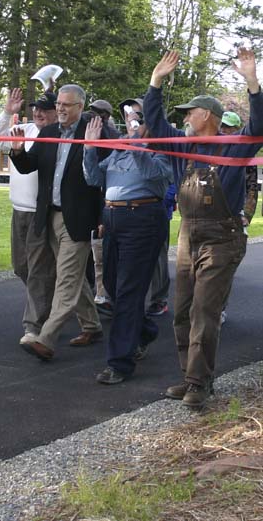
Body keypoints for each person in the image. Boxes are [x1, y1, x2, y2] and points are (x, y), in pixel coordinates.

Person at [144, 48, 263, 407]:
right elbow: (155, 123)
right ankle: (191, 377)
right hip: (187, 235)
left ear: (208, 115)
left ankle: (199, 382)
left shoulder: (234, 146)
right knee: (181, 311)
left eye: (190, 112)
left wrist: (252, 81)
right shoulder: (183, 145)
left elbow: (259, 125)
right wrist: (156, 82)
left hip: (221, 238)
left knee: (204, 312)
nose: (186, 118)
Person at [9, 84, 105, 361]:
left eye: (66, 104)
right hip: (48, 216)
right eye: (59, 104)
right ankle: (92, 325)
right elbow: (29, 165)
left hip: (77, 220)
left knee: (66, 279)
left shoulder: (93, 131)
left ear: (80, 107)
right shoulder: (48, 133)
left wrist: (102, 218)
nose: (60, 108)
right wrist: (17, 152)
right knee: (74, 278)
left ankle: (46, 338)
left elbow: (100, 179)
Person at [83, 99, 173, 384]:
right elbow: (94, 178)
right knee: (111, 285)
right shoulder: (120, 150)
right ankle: (144, 331)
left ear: (151, 124)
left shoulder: (163, 150)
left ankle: (119, 362)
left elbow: (153, 175)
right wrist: (89, 148)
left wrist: (135, 145)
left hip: (143, 220)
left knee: (129, 292)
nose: (130, 124)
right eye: (129, 118)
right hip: (113, 221)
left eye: (137, 119)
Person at [0, 88, 58, 345]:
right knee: (22, 267)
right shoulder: (25, 131)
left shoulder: (59, 135)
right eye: (35, 109)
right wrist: (7, 113)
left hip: (43, 212)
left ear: (55, 112)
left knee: (39, 270)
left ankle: (34, 327)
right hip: (19, 210)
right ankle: (56, 306)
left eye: (44, 109)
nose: (38, 113)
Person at [218, 110, 259, 324]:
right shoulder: (212, 150)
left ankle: (220, 307)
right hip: (211, 215)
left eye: (227, 128)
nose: (223, 131)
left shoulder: (246, 157)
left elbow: (252, 188)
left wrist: (247, 214)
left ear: (236, 130)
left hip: (235, 216)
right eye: (221, 127)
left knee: (226, 266)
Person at [88, 99, 121, 316]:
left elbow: (104, 179)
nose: (93, 116)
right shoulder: (92, 132)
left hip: (104, 202)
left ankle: (104, 296)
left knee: (101, 255)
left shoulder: (111, 138)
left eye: (99, 113)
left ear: (107, 116)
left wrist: (102, 217)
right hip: (90, 198)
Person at [145, 182, 177, 317]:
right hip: (134, 213)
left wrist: (160, 202)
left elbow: (174, 182)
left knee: (158, 259)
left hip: (158, 212)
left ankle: (159, 300)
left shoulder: (168, 160)